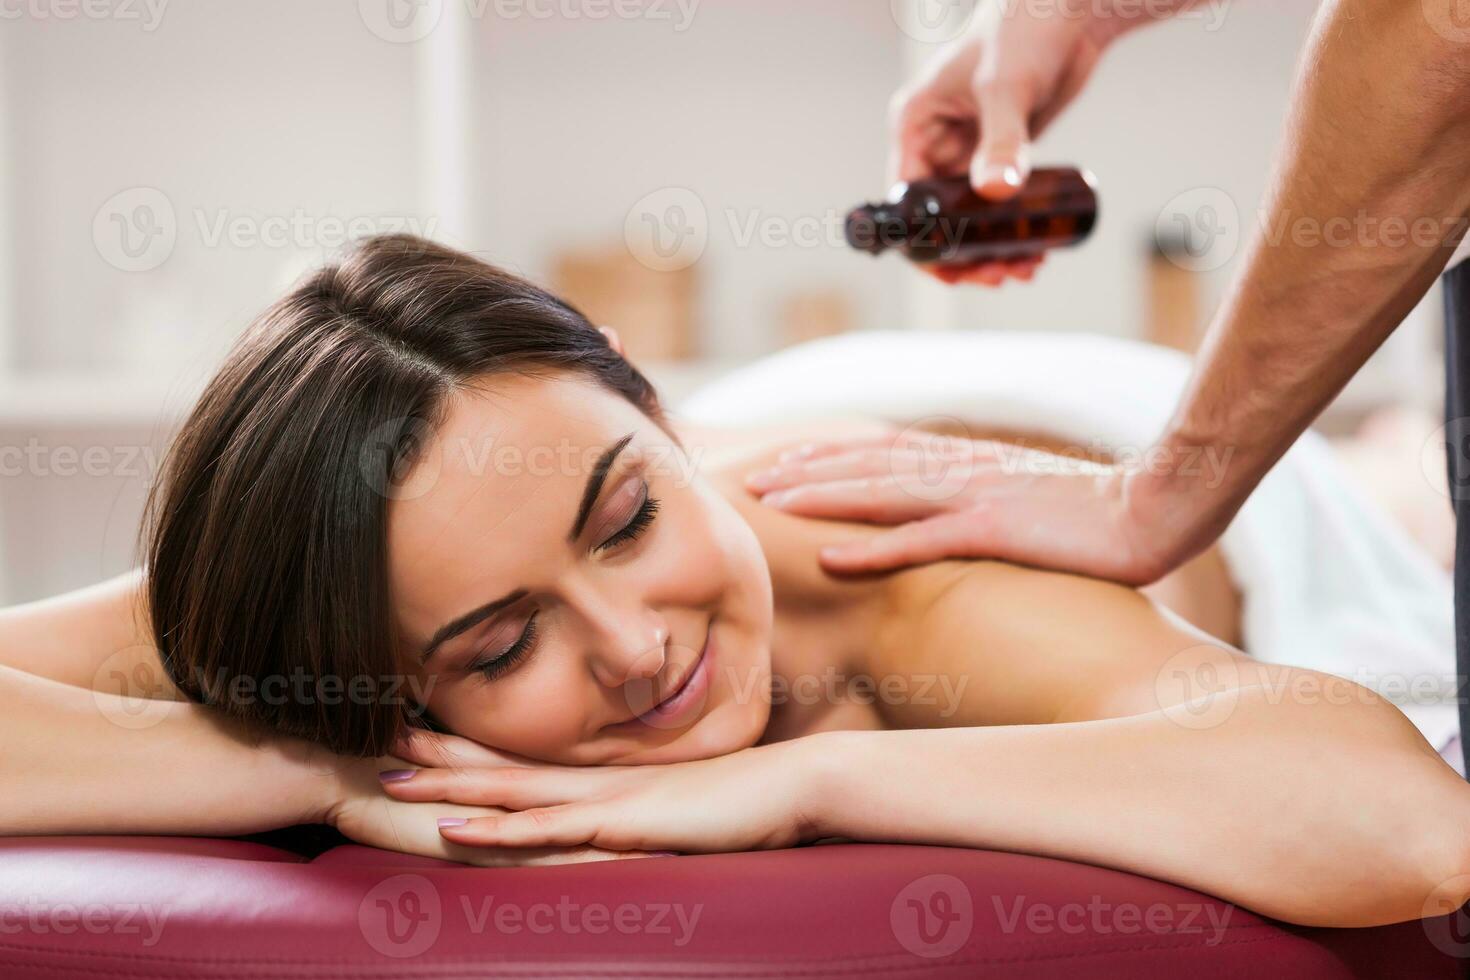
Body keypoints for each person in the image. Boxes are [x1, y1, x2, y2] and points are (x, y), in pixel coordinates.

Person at [2, 236, 1467, 926]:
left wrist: (803, 788)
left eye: (627, 519)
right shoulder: (378, 544)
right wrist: (294, 767)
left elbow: (1405, 826)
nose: (637, 652)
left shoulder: (911, 591)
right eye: (501, 647)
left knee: (1407, 502)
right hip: (804, 406)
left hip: (1144, 457)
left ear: (660, 417)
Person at [746, 0, 1470, 776]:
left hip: (1131, 432)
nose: (633, 646)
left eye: (630, 520)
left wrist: (1165, 497)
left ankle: (1394, 477)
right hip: (1036, 403)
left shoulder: (959, 614)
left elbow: (1433, 30)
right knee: (1379, 490)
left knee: (1383, 500)